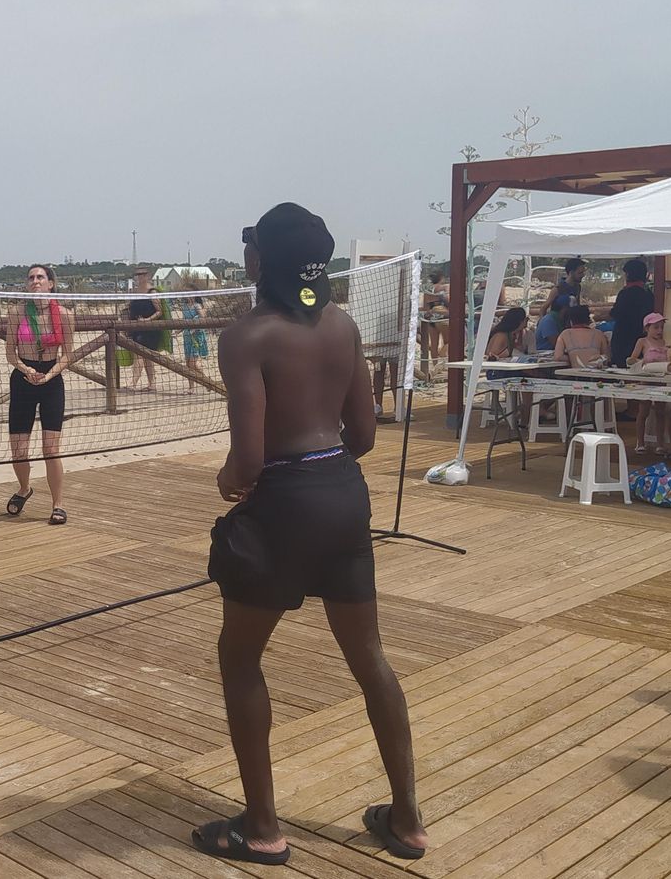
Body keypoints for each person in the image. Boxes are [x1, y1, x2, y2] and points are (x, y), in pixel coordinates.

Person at [194, 202, 424, 865]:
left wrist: (226, 483)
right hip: (342, 497)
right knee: (370, 659)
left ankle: (262, 829)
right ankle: (407, 819)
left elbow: (248, 458)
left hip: (285, 504)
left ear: (259, 261)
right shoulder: (342, 325)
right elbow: (365, 436)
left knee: (240, 659)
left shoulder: (248, 336)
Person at [5, 264, 74, 525]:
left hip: (51, 379)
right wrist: (26, 369)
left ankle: (58, 504)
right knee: (19, 449)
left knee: (51, 448)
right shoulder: (17, 313)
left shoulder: (65, 315)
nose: (35, 281)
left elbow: (68, 354)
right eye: (31, 277)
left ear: (50, 283)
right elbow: (10, 351)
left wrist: (48, 374)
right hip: (23, 377)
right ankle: (24, 488)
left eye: (40, 277)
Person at [629, 313, 671, 455]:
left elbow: (669, 360)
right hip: (646, 380)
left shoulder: (663, 342)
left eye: (661, 327)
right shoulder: (642, 342)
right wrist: (642, 363)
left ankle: (660, 443)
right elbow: (632, 359)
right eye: (656, 327)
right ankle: (640, 442)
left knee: (661, 412)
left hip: (661, 380)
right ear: (647, 328)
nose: (659, 331)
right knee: (643, 412)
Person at [608, 258, 653, 368]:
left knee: (622, 367)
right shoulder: (648, 294)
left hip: (623, 338)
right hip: (641, 335)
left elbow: (615, 313)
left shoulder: (625, 293)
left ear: (628, 274)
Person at [125, 268, 161, 392]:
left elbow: (159, 311)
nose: (139, 277)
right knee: (142, 356)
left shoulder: (152, 292)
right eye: (137, 275)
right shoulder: (134, 292)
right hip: (136, 328)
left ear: (147, 276)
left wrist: (148, 320)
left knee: (144, 356)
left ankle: (134, 383)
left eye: (141, 275)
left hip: (150, 330)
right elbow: (129, 309)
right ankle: (151, 384)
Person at [180, 285, 210, 394]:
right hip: (187, 336)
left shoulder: (197, 306)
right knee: (188, 364)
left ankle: (208, 381)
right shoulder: (184, 306)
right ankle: (191, 387)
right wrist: (177, 331)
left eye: (189, 292)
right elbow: (184, 321)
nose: (187, 294)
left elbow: (202, 317)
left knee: (193, 364)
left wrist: (195, 323)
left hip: (196, 336)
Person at [419, 272, 449, 364]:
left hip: (431, 319)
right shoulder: (445, 287)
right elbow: (449, 300)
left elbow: (425, 307)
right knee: (448, 341)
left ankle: (435, 365)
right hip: (442, 317)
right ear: (441, 278)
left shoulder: (428, 290)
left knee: (434, 344)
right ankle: (445, 360)